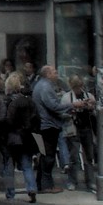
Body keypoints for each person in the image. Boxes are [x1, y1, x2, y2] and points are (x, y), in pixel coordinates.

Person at [0, 71, 38, 203]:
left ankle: (10, 193)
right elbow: (36, 118)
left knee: (9, 165)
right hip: (26, 137)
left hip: (11, 137)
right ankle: (31, 188)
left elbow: (7, 120)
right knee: (27, 165)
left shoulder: (8, 101)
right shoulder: (29, 101)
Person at [31, 64, 70, 193]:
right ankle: (46, 185)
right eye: (54, 72)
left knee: (44, 155)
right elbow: (53, 105)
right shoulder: (45, 87)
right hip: (47, 126)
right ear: (47, 74)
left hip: (42, 125)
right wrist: (72, 105)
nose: (56, 74)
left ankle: (42, 183)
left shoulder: (40, 85)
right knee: (48, 156)